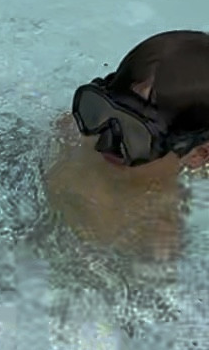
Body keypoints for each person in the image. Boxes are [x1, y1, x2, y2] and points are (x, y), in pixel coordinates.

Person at [44, 30, 209, 261]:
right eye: (100, 112)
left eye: (136, 134)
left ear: (198, 154)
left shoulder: (152, 233)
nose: (105, 142)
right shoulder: (70, 133)